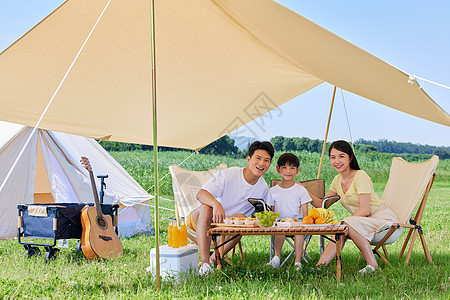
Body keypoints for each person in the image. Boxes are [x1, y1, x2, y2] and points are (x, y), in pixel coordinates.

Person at [186, 141, 274, 276]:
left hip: (228, 228)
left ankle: (214, 258)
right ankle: (205, 264)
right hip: (201, 221)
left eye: (266, 160)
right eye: (258, 158)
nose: (262, 163)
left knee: (241, 219)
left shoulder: (263, 188)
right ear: (249, 159)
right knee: (206, 208)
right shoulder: (229, 174)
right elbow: (201, 194)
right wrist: (216, 204)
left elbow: (259, 215)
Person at [314, 140, 398, 274]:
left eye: (341, 156)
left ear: (350, 158)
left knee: (345, 225)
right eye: (333, 157)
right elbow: (322, 205)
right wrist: (303, 191)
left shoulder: (360, 176)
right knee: (341, 230)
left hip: (381, 220)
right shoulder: (337, 180)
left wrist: (345, 223)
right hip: (361, 223)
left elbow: (364, 210)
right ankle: (320, 267)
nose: (337, 161)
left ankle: (372, 264)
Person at [265, 153, 312, 270]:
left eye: (292, 168)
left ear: (297, 170)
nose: (288, 171)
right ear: (278, 169)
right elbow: (273, 213)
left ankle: (297, 262)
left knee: (299, 231)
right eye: (284, 167)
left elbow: (306, 214)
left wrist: (303, 224)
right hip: (281, 222)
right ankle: (276, 258)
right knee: (280, 226)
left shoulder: (301, 190)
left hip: (298, 222)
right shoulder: (273, 191)